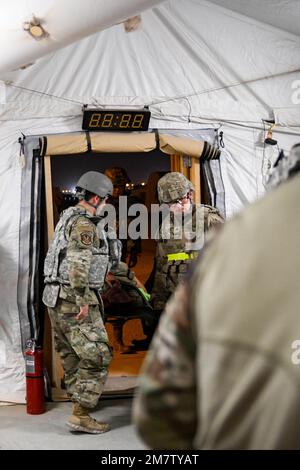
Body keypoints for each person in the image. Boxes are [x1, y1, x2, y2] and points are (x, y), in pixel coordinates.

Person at [133, 144, 300, 449]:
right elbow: (161, 262)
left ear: (189, 197)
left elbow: (228, 264)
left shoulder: (210, 219)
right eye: (167, 204)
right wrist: (152, 298)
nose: (173, 208)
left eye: (177, 202)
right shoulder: (167, 223)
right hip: (169, 301)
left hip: (202, 305)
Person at [42, 171, 116, 434]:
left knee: (72, 354)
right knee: (98, 354)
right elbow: (77, 264)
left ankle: (78, 402)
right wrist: (84, 299)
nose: (107, 203)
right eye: (106, 198)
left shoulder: (67, 217)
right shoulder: (85, 224)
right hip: (75, 298)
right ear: (96, 197)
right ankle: (81, 414)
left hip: (55, 297)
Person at [150, 172, 224, 314]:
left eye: (182, 200)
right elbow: (161, 267)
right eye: (172, 203)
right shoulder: (165, 226)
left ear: (190, 195)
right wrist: (158, 303)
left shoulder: (209, 219)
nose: (178, 206)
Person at [102, 261, 157, 352]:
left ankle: (105, 344)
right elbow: (141, 288)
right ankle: (118, 343)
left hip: (105, 306)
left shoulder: (95, 265)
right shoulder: (121, 266)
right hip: (128, 306)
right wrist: (146, 296)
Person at [104, 166, 142, 267]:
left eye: (120, 186)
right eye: (114, 186)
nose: (117, 190)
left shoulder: (130, 204)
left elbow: (136, 231)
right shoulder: (99, 203)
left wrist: (134, 253)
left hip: (122, 252)